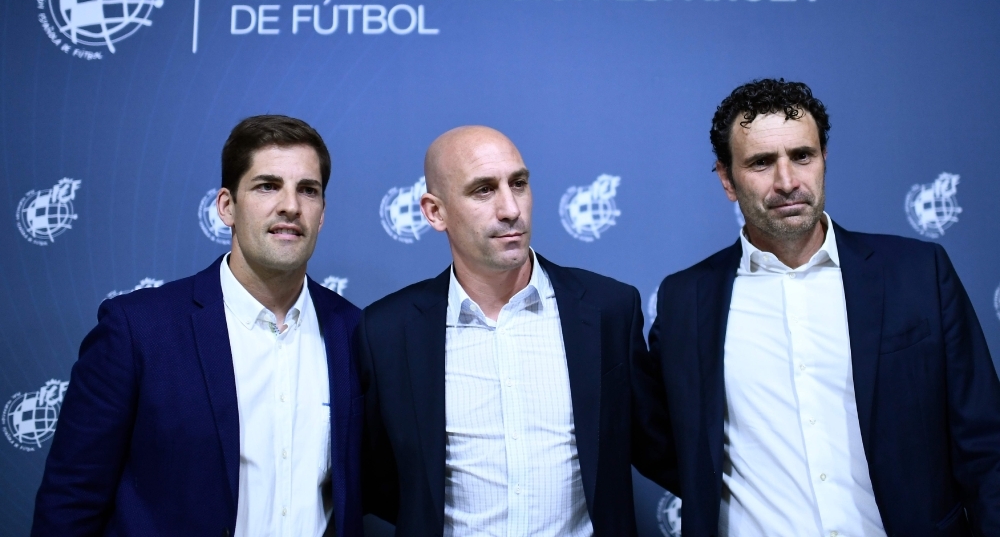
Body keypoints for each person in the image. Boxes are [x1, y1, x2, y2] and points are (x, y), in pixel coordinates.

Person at [647, 79, 1000, 536]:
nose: (787, 181)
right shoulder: (685, 302)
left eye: (802, 156)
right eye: (761, 162)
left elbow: (986, 445)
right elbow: (665, 444)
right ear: (726, 180)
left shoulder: (918, 274)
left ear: (824, 159)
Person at [32, 115, 363, 537]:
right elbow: (71, 499)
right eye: (267, 185)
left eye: (308, 190)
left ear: (321, 214)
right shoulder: (138, 330)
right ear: (227, 206)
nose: (290, 206)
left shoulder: (354, 332)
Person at [358, 126, 665, 537]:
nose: (510, 209)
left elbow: (656, 446)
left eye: (518, 184)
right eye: (483, 190)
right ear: (435, 212)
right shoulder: (387, 331)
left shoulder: (608, 309)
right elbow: (380, 479)